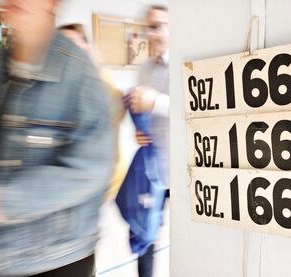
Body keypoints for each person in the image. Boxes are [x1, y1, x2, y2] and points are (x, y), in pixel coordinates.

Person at [0, 0, 113, 276]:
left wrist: (3, 202)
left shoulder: (79, 72)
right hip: (3, 253)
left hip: (60, 255)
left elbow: (92, 169)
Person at [58, 23, 127, 199]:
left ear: (86, 47)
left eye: (72, 42)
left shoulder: (100, 83)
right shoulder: (63, 84)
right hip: (71, 183)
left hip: (102, 181)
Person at [127, 5, 169, 277]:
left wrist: (155, 102)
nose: (150, 33)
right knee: (145, 234)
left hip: (179, 170)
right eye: (147, 27)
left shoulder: (183, 62)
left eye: (157, 26)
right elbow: (144, 117)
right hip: (151, 169)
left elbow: (195, 109)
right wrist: (139, 130)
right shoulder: (143, 71)